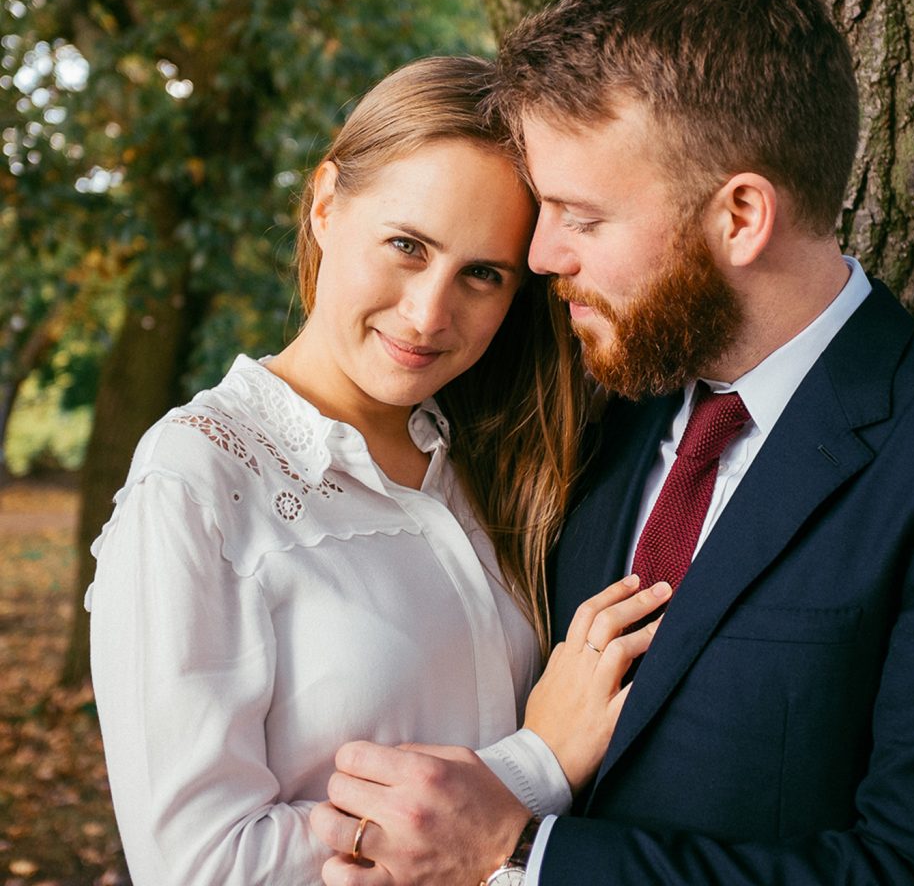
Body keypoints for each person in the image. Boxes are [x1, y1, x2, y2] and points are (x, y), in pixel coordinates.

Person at [309, 0, 914, 885]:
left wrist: (518, 854)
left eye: (581, 215)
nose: (540, 253)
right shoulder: (597, 409)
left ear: (739, 217)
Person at [86, 55, 669, 886]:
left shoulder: (479, 465)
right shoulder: (196, 481)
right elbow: (198, 866)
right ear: (327, 205)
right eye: (406, 245)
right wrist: (534, 765)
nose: (429, 314)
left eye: (482, 274)